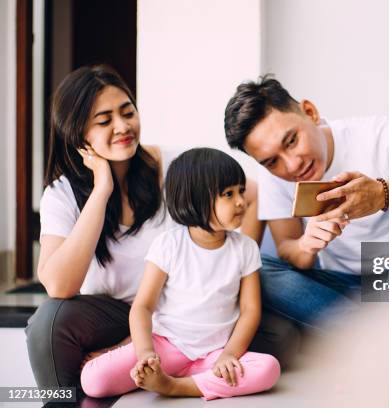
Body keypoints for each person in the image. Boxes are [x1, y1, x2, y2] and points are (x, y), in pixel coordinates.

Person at [25, 66, 296, 404]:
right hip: (113, 315)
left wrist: (237, 260)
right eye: (104, 120)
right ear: (77, 133)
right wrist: (102, 189)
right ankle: (67, 398)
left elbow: (253, 194)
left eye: (128, 112)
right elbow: (59, 285)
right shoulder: (61, 194)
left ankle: (166, 373)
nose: (123, 127)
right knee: (48, 323)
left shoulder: (172, 166)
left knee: (282, 337)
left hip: (185, 314)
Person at [224, 75, 389, 332]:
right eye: (272, 161)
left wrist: (382, 193)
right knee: (255, 270)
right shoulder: (274, 176)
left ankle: (384, 333)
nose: (292, 164)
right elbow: (287, 247)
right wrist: (307, 245)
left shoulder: (376, 135)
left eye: (292, 140)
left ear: (310, 112)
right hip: (350, 289)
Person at [80, 148, 281, 400]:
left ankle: (174, 386)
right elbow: (142, 307)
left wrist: (229, 354)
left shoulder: (245, 248)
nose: (241, 200)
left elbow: (250, 310)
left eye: (241, 190)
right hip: (166, 347)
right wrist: (145, 353)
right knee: (93, 380)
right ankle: (172, 375)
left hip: (214, 355)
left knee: (268, 369)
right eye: (228, 194)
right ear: (194, 200)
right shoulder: (169, 245)